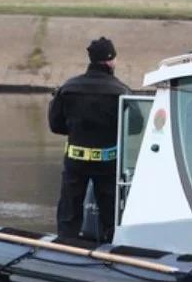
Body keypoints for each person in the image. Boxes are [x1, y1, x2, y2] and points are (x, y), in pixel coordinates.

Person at [48, 37, 132, 242]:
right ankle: (111, 250)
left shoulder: (68, 88)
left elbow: (55, 125)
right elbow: (134, 126)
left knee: (69, 210)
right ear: (111, 61)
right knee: (110, 212)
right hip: (108, 161)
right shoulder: (121, 91)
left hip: (75, 160)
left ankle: (65, 249)